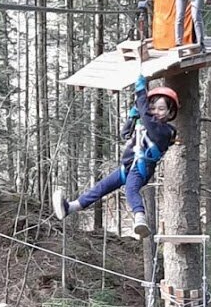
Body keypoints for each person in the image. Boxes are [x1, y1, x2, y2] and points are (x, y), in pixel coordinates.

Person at [52, 76, 179, 239]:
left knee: (131, 189)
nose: (155, 112)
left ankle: (140, 218)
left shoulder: (165, 131)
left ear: (170, 113)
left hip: (141, 168)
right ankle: (70, 207)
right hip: (128, 166)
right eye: (153, 108)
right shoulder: (147, 125)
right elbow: (126, 134)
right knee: (101, 187)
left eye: (161, 109)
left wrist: (141, 93)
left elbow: (148, 119)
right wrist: (132, 118)